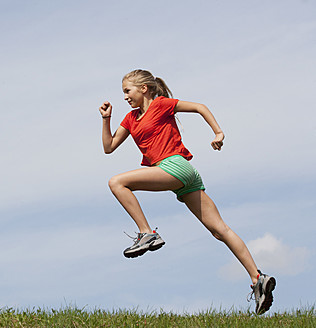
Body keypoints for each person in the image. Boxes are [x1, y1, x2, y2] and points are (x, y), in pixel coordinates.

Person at [99, 69, 275, 315]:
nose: (125, 97)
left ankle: (146, 233)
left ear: (144, 89)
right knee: (219, 230)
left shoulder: (161, 105)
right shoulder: (130, 118)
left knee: (117, 183)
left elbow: (200, 107)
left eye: (127, 91)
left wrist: (218, 132)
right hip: (186, 176)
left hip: (174, 166)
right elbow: (108, 147)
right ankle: (258, 279)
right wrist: (106, 119)